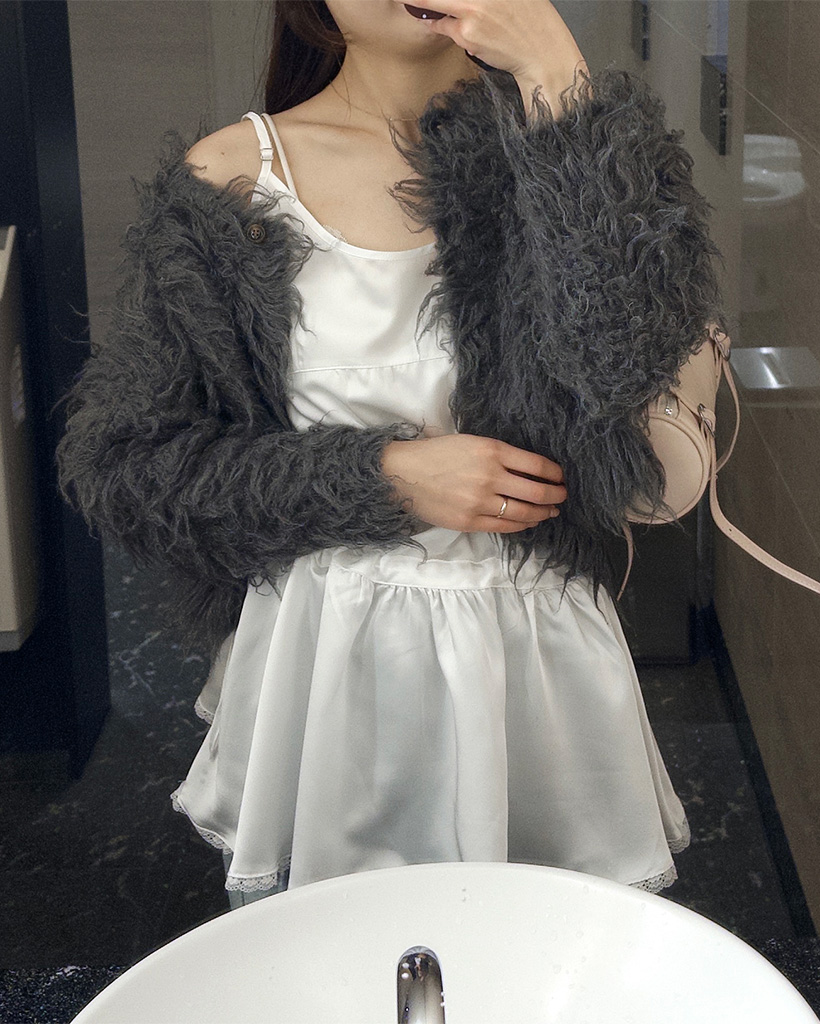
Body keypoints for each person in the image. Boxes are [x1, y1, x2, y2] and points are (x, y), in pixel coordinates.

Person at [57, 0, 727, 909]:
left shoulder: (578, 141)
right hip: (330, 660)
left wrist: (555, 74)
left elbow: (626, 363)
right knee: (341, 954)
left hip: (534, 661)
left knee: (546, 950)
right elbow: (130, 467)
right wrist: (383, 478)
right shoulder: (231, 181)